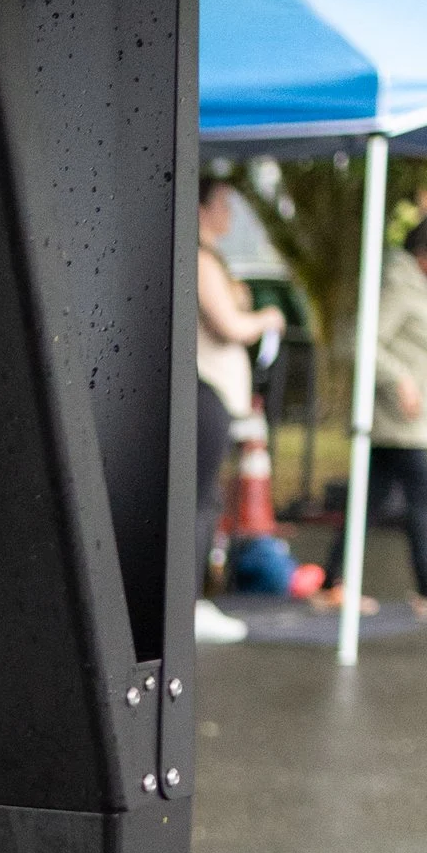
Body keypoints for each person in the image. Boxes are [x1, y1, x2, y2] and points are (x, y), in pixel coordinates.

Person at [326, 210, 427, 624]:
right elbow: (361, 339)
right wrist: (401, 380)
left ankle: (332, 583)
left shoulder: (422, 286)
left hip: (408, 418)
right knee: (421, 489)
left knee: (370, 497)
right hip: (397, 418)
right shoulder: (399, 286)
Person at [195, 175, 260, 644]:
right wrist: (266, 319)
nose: (230, 217)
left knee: (205, 497)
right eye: (223, 205)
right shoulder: (199, 259)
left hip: (216, 393)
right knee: (200, 500)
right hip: (207, 390)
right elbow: (230, 323)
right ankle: (190, 603)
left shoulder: (211, 259)